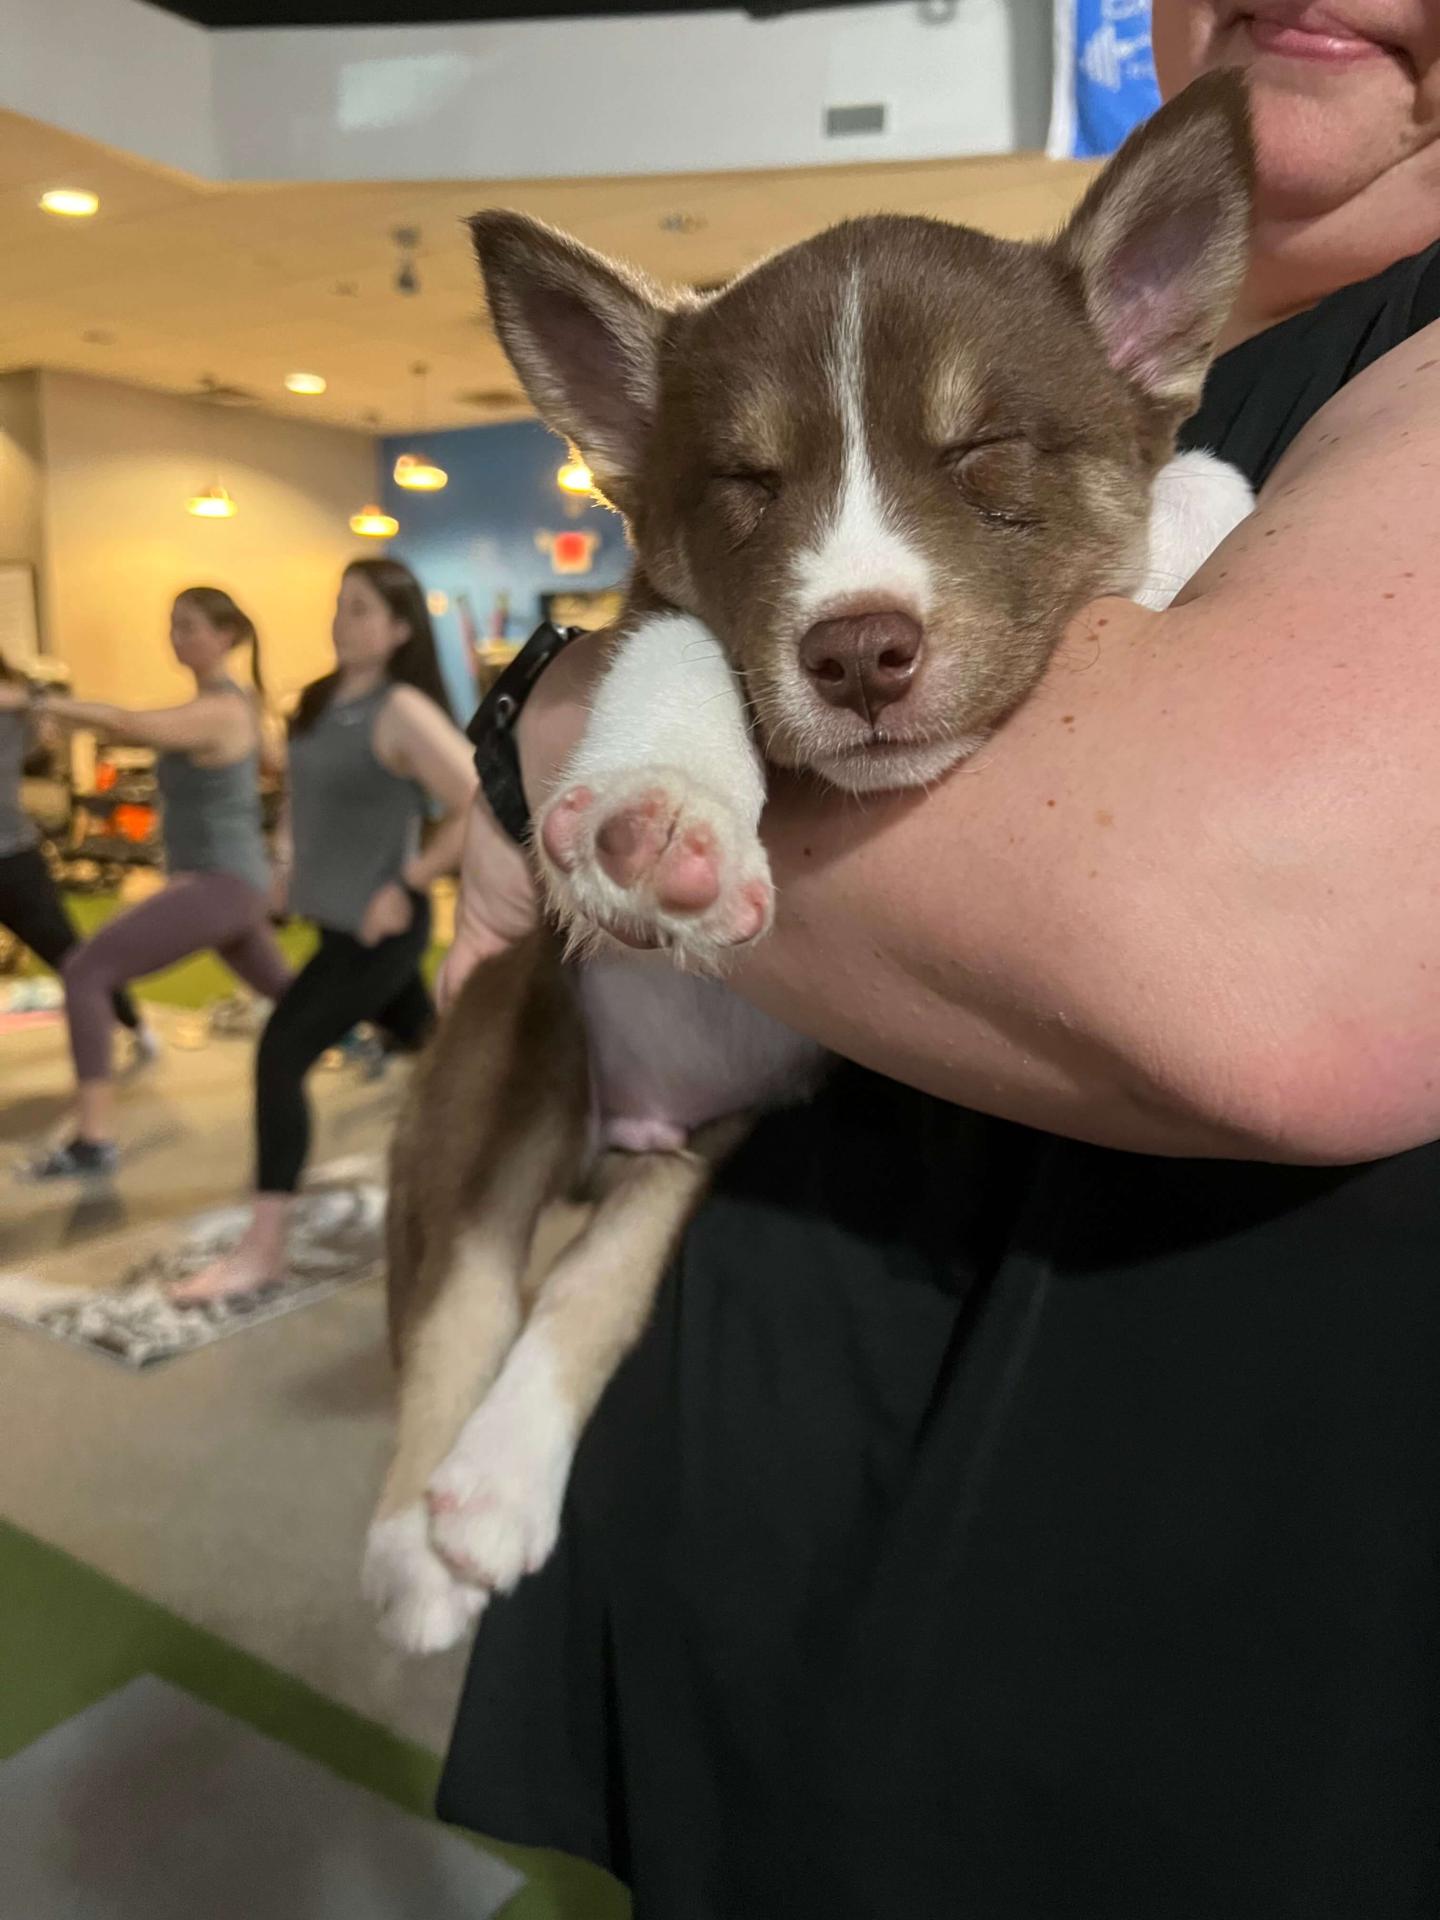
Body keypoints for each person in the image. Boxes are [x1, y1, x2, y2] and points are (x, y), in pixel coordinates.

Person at [434, 7, 1440, 1917]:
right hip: (756, 1568)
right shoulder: (1090, 345)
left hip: (1150, 1656)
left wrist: (552, 722)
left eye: (982, 466)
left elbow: (1255, 962)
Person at [170, 557, 477, 1304]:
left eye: (362, 609)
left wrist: (410, 882)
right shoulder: (316, 700)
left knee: (280, 1055)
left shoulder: (402, 710)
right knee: (440, 1054)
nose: (342, 621)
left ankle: (263, 1250)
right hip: (332, 923)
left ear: (400, 629)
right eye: (340, 605)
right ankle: (502, 1155)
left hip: (379, 933)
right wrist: (283, 861)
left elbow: (477, 797)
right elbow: (298, 798)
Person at [7, 589, 290, 1179]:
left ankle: (93, 1141)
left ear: (225, 636)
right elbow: (284, 766)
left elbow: (129, 723)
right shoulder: (231, 704)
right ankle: (393, 1033)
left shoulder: (223, 709)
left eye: (189, 626)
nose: (175, 637)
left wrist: (35, 698)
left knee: (86, 971)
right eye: (173, 625)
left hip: (220, 884)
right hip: (231, 884)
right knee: (297, 999)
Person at [0, 652, 154, 1059]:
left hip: (12, 859)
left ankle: (135, 1025)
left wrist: (32, 704)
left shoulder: (16, 702)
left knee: (69, 953)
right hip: (15, 852)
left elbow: (44, 732)